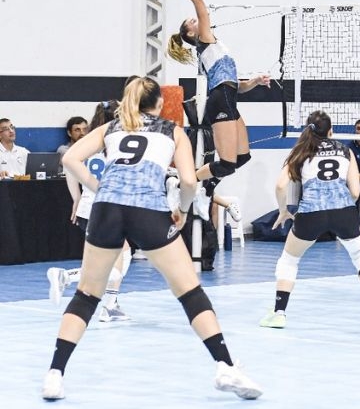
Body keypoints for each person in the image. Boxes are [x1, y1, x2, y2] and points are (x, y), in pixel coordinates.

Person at [44, 77, 261, 401]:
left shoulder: (111, 127)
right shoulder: (172, 131)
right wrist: (182, 211)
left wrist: (99, 188)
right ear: (160, 104)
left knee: (87, 295)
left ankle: (54, 375)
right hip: (148, 209)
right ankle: (225, 366)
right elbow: (188, 181)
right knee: (190, 291)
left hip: (106, 209)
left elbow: (69, 159)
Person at [260, 111, 360, 330]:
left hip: (310, 214)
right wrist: (342, 209)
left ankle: (279, 313)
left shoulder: (301, 151)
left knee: (289, 260)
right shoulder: (345, 150)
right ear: (331, 131)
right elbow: (355, 191)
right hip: (344, 211)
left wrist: (284, 211)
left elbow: (280, 185)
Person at [166, 0, 270, 193]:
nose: (198, 19)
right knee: (226, 163)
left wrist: (254, 81)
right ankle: (182, 181)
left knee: (242, 158)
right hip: (220, 100)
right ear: (191, 33)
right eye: (192, 21)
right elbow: (198, 0)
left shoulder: (214, 48)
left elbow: (235, 86)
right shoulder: (204, 39)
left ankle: (205, 187)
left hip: (227, 97)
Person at [48, 101, 132, 322]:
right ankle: (66, 276)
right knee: (118, 260)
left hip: (88, 208)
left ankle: (111, 305)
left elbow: (69, 165)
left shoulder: (89, 140)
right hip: (108, 207)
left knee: (116, 258)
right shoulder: (118, 141)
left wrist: (77, 197)